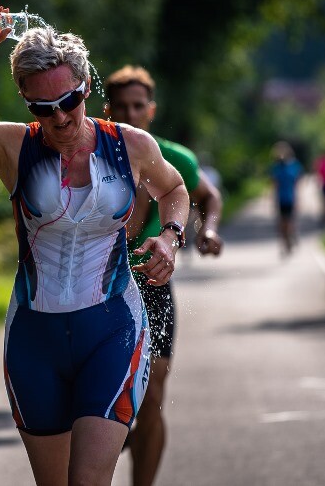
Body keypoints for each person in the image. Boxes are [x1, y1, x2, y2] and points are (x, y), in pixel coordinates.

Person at [0, 7, 190, 485]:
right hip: (35, 338)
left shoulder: (130, 145)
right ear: (25, 102)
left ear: (86, 87)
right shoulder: (11, 147)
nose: (58, 118)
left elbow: (174, 190)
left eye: (68, 101)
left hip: (112, 326)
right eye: (41, 108)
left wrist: (171, 238)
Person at [103, 65, 224, 486]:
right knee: (102, 404)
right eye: (121, 107)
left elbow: (208, 196)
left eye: (138, 106)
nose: (130, 114)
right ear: (107, 109)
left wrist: (206, 230)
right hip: (97, 289)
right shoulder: (90, 152)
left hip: (153, 287)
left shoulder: (175, 159)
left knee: (152, 399)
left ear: (151, 110)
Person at [269, 141, 303, 256]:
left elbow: (297, 184)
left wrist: (298, 199)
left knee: (289, 222)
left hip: (290, 198)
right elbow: (274, 185)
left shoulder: (294, 166)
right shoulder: (276, 168)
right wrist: (272, 200)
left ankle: (290, 239)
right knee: (281, 224)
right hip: (280, 199)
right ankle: (285, 243)